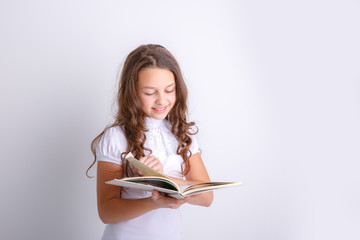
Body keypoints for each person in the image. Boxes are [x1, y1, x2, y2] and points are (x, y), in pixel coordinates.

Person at [87, 44, 213, 240]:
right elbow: (106, 211)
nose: (162, 100)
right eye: (149, 92)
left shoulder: (180, 134)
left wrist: (163, 180)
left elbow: (206, 197)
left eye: (169, 90)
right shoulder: (116, 137)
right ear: (133, 93)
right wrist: (154, 202)